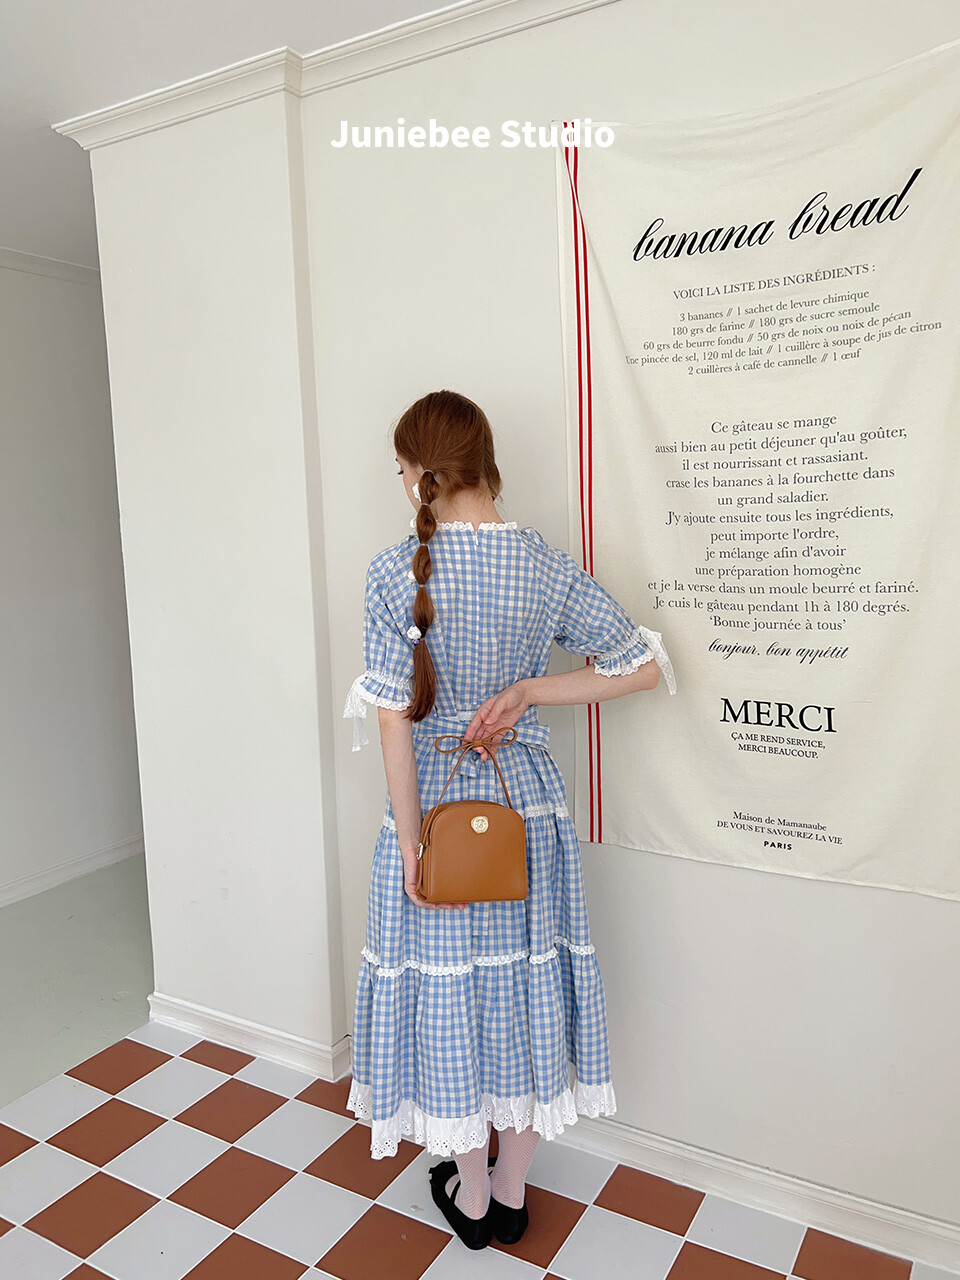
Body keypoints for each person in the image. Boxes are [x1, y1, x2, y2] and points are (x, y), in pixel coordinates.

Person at [342, 389, 676, 1250]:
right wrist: (529, 690)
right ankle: (512, 1190)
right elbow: (640, 667)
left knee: (452, 997)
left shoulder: (392, 572)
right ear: (485, 464)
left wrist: (412, 842)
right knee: (524, 991)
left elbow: (394, 722)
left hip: (440, 810)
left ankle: (472, 1195)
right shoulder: (543, 566)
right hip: (524, 809)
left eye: (401, 468)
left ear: (422, 473)